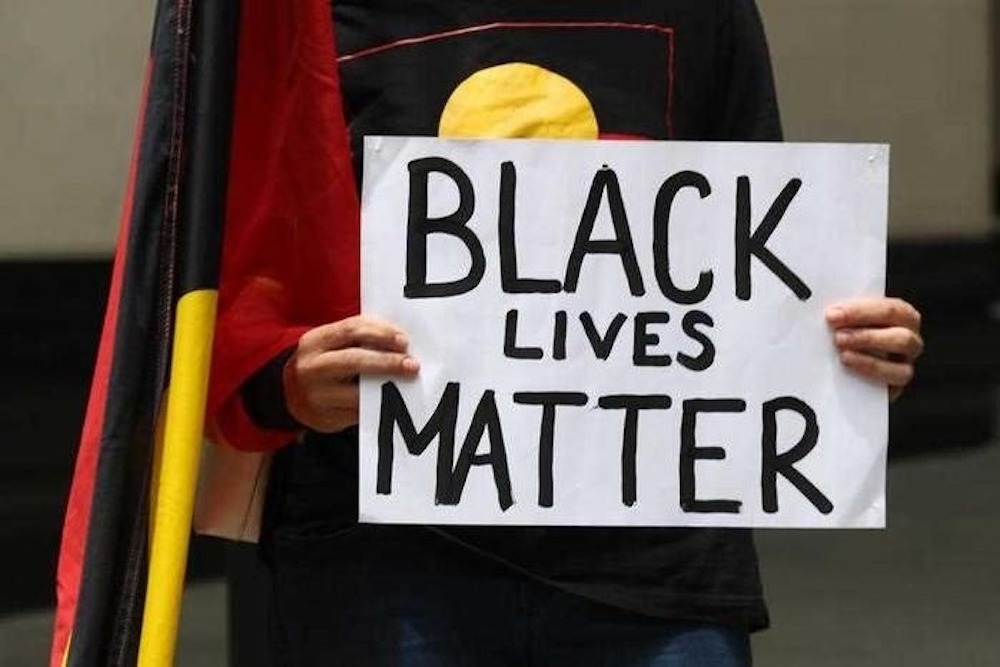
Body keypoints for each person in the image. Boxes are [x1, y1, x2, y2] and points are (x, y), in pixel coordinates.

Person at [211, 2, 924, 665]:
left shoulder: (702, 9)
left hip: (656, 566)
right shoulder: (311, 12)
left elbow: (755, 265)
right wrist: (283, 379)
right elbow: (248, 263)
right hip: (384, 553)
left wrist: (842, 357)